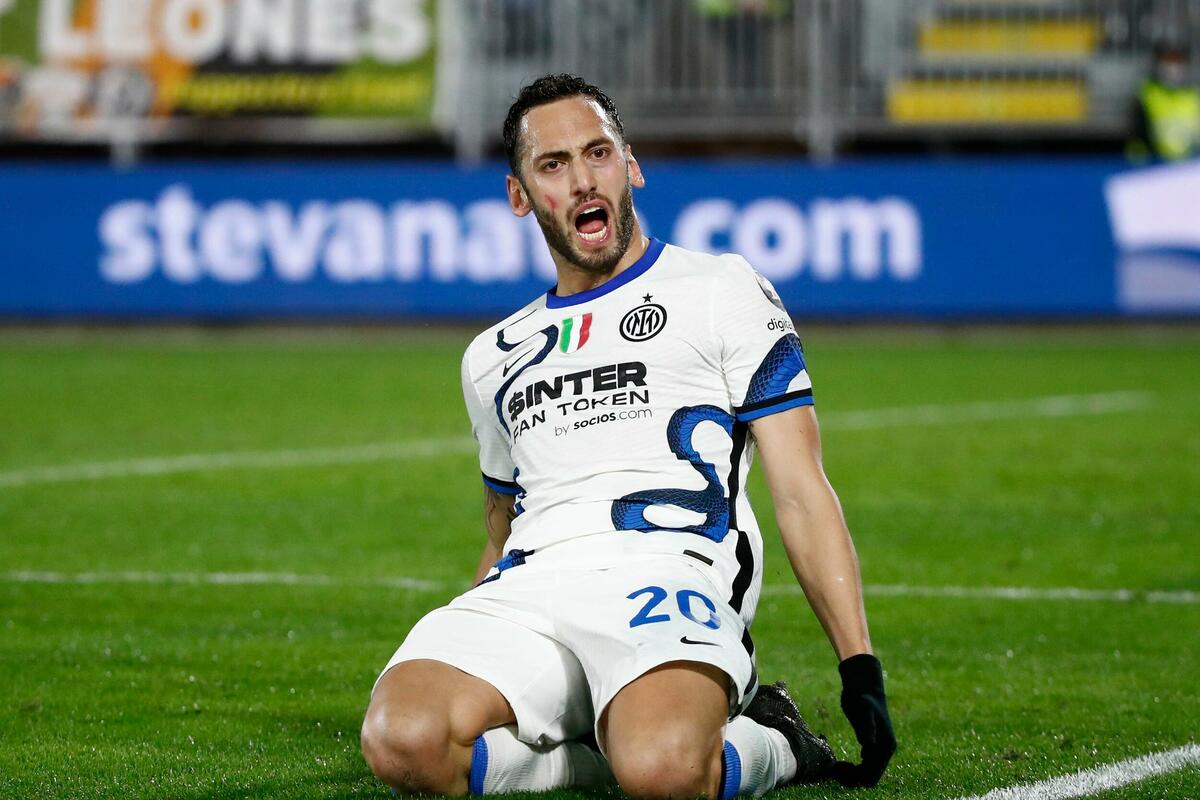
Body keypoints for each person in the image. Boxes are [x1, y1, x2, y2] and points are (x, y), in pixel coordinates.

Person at [361, 73, 896, 798]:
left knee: (663, 769)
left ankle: (779, 740)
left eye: (598, 153)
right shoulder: (491, 356)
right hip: (533, 588)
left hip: (665, 577)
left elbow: (800, 488)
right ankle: (596, 748)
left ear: (631, 165)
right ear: (519, 195)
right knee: (404, 741)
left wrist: (858, 665)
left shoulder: (721, 289)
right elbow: (503, 525)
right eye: (553, 165)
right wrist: (477, 630)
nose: (583, 180)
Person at [1129, 44, 1200, 162]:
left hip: (1190, 164)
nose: (1173, 68)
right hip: (1156, 162)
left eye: (1177, 62)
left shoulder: (1194, 95)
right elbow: (1138, 132)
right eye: (1168, 61)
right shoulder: (1147, 92)